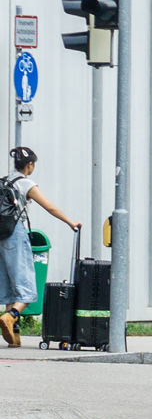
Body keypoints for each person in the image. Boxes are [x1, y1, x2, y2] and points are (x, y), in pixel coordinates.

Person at [0, 147, 81, 347]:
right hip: (15, 235)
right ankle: (10, 317)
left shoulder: (5, 181)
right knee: (28, 289)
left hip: (1, 236)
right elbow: (49, 206)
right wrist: (70, 222)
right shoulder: (25, 183)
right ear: (30, 165)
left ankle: (14, 336)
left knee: (11, 287)